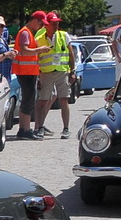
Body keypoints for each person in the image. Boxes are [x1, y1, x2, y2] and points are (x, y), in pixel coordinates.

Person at [34, 12, 75, 139]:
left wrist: (73, 71)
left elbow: (70, 53)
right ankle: (40, 127)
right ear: (47, 24)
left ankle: (66, 129)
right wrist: (38, 76)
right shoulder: (39, 39)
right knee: (43, 100)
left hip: (62, 72)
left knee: (64, 100)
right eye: (53, 23)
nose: (56, 25)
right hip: (46, 73)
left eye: (57, 23)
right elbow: (36, 58)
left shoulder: (63, 35)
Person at [12, 12, 48, 140]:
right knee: (28, 101)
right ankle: (25, 130)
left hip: (27, 71)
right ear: (34, 20)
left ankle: (23, 129)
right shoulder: (26, 32)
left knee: (27, 100)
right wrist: (40, 50)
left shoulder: (26, 32)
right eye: (41, 23)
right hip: (25, 71)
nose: (41, 26)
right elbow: (24, 50)